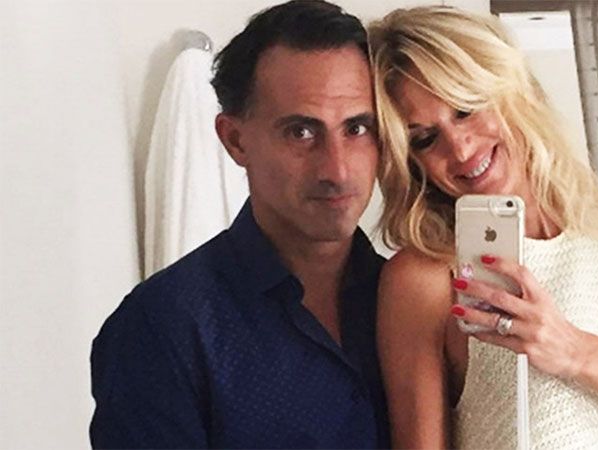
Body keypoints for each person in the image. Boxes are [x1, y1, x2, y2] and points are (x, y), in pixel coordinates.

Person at [368, 6, 598, 449]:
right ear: (411, 162)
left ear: (511, 90)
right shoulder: (425, 280)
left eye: (466, 109)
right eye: (425, 138)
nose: (460, 148)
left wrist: (571, 351)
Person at [90, 1, 389, 448]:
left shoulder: (413, 301)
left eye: (357, 128)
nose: (337, 170)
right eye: (301, 132)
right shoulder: (162, 327)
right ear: (235, 140)